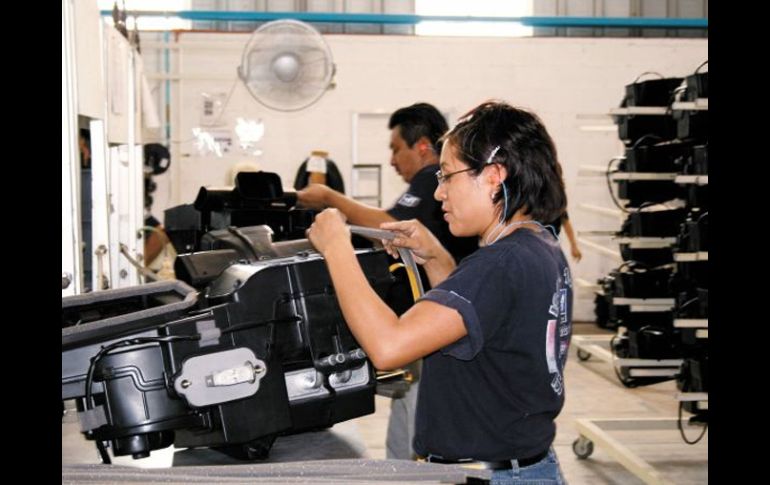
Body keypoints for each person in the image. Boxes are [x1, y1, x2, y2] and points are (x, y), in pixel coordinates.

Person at [307, 101, 571, 483]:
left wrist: (336, 248)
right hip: (522, 466)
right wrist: (434, 256)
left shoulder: (499, 263)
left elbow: (388, 346)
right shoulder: (537, 245)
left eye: (448, 177)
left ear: (495, 175)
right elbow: (475, 319)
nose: (438, 193)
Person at [298, 102, 477, 460]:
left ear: (423, 146)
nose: (393, 160)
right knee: (407, 414)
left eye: (397, 149)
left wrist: (332, 207)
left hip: (432, 329)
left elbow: (387, 224)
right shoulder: (428, 187)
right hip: (426, 326)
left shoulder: (429, 180)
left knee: (419, 420)